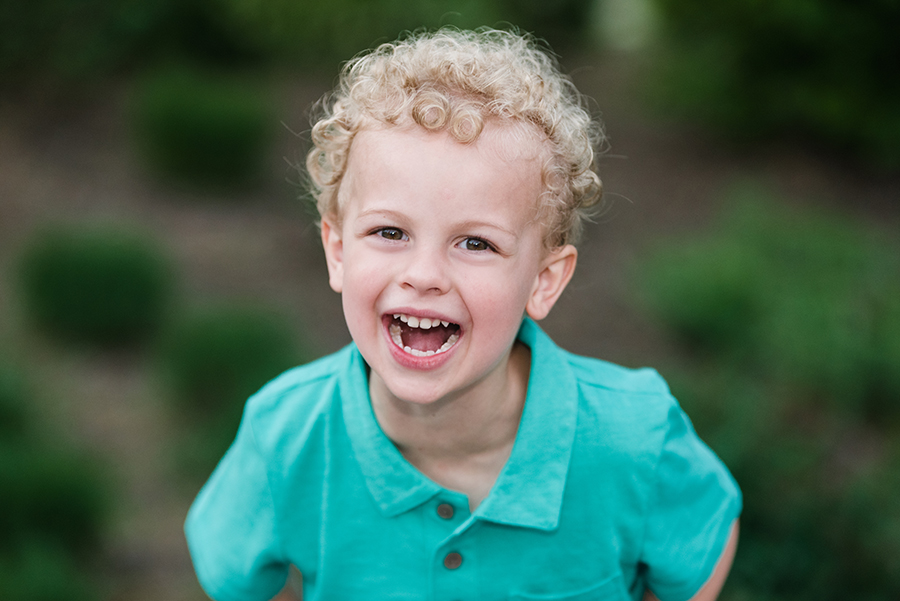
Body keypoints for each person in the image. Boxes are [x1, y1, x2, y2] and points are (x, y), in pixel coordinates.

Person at [185, 27, 741, 601]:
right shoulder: (283, 437)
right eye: (390, 232)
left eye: (476, 243)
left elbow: (705, 536)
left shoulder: (634, 436)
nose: (424, 274)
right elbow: (236, 580)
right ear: (339, 251)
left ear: (543, 280)